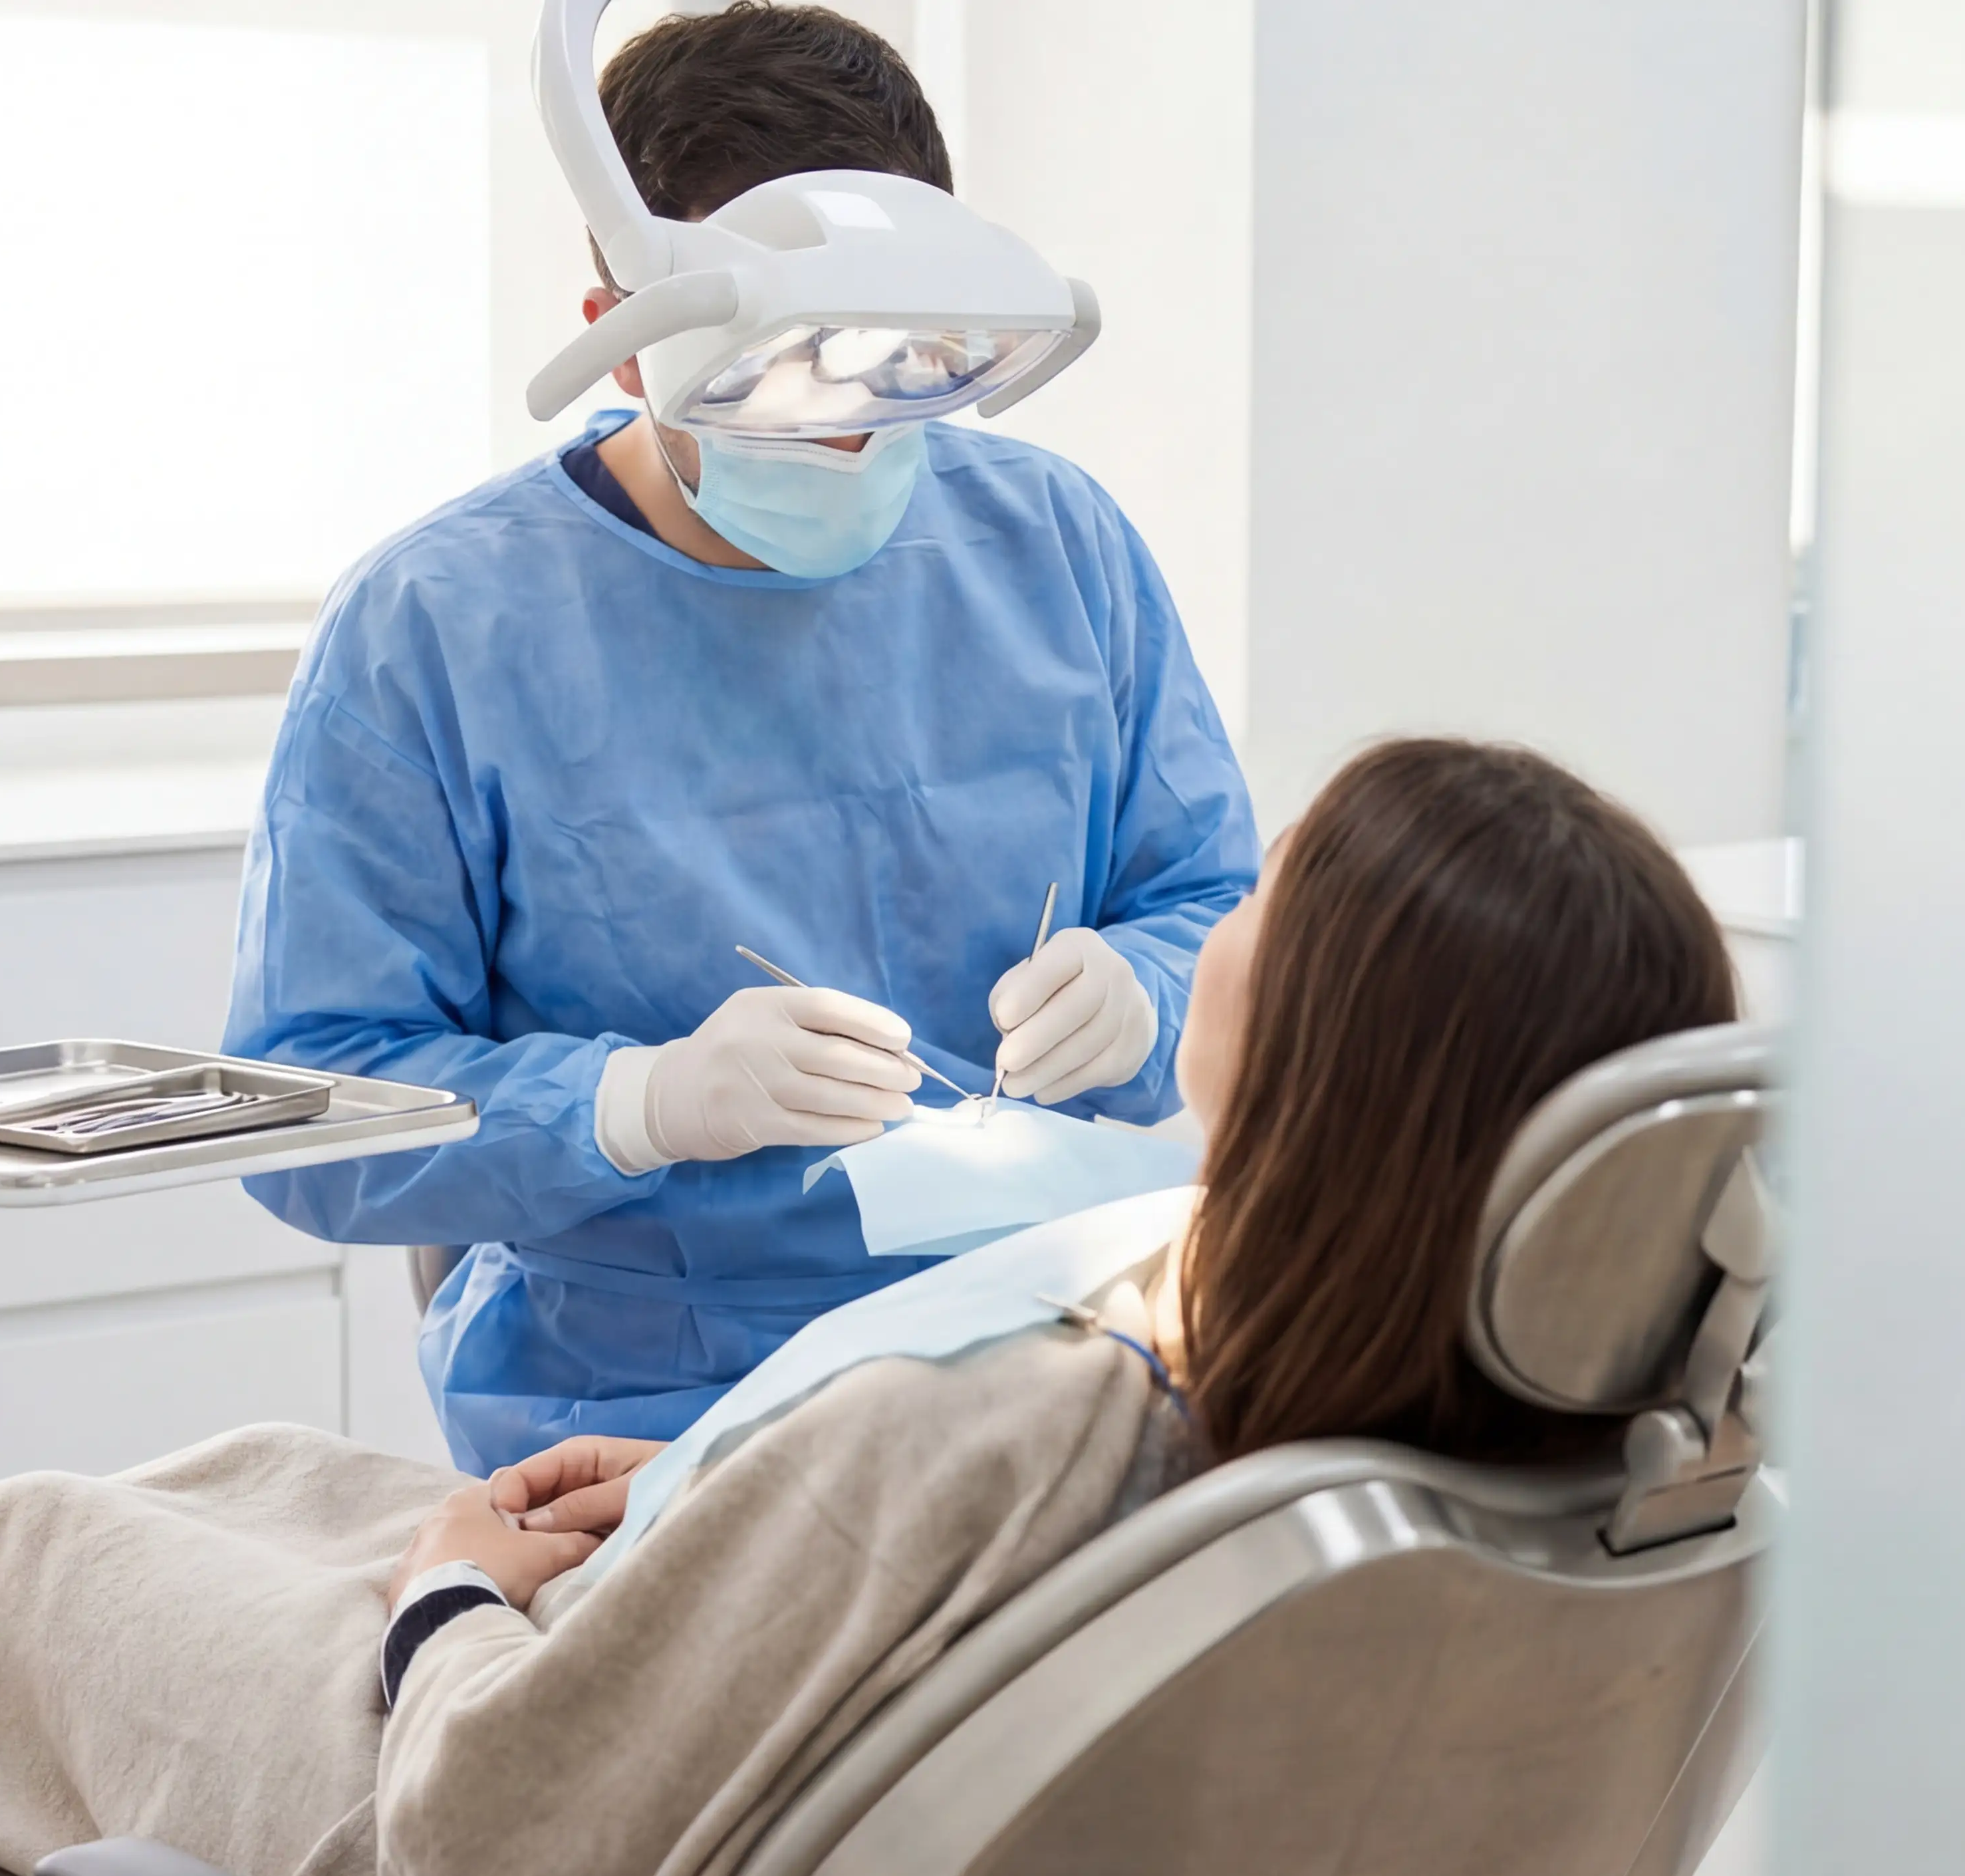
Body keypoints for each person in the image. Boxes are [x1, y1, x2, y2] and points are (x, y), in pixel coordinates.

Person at [0, 739, 1733, 1876]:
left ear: (1342, 1067)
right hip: (721, 1722)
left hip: (478, 1853)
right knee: (270, 1470)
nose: (1222, 908)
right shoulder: (1498, 1432)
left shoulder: (1028, 1420)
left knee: (35, 1558)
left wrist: (452, 1596)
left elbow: (499, 1866)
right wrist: (736, 1495)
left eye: (1271, 900)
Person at [221, 1, 1259, 1474]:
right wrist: (635, 1105)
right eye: (790, 371)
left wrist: (1153, 991)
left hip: (1057, 1357)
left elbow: (1218, 908)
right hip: (645, 1417)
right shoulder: (436, 627)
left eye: (908, 364)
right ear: (625, 345)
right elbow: (309, 1104)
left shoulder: (1055, 544)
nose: (853, 433)